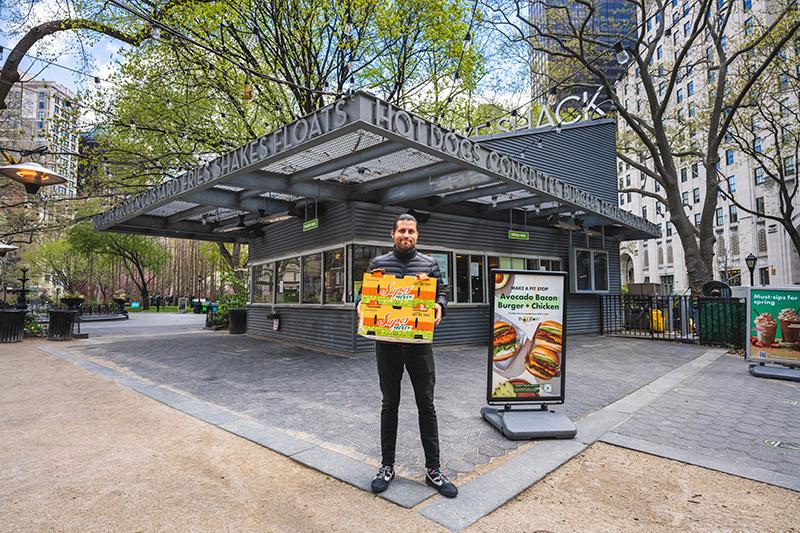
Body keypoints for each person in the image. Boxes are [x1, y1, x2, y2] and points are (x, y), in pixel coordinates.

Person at [357, 213, 458, 498]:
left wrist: (440, 306)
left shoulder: (429, 264)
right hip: (387, 346)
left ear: (417, 235)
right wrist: (360, 306)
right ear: (393, 234)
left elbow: (442, 293)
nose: (406, 235)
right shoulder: (378, 264)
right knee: (390, 404)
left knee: (427, 405)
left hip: (419, 347)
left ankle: (433, 470)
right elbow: (365, 296)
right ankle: (387, 466)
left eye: (411, 231)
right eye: (401, 230)